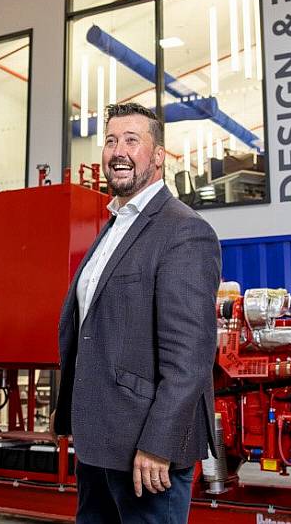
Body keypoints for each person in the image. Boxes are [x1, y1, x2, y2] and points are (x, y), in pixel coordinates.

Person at [53, 102, 222, 523]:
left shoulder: (183, 230)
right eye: (110, 141)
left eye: (132, 140)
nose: (118, 151)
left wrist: (158, 442)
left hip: (146, 453)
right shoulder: (113, 227)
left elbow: (190, 357)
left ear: (159, 154)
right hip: (99, 442)